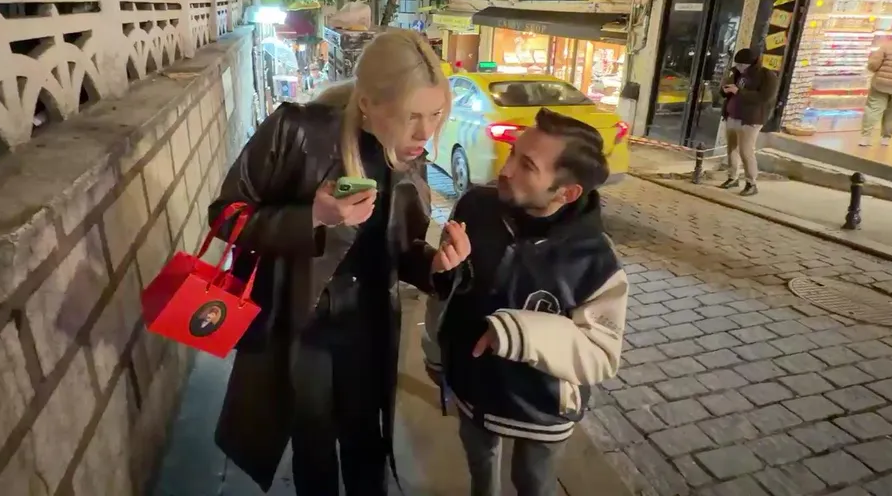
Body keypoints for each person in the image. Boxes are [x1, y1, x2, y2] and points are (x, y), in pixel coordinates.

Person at [208, 29, 472, 494]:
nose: (426, 132)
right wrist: (311, 217)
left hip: (369, 325)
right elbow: (226, 215)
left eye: (435, 114)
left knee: (367, 441)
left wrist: (438, 265)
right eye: (412, 115)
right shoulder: (297, 132)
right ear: (368, 103)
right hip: (301, 324)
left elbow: (403, 249)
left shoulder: (407, 157)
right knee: (313, 444)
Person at [423, 108, 629, 496]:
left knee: (533, 481)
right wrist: (445, 274)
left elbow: (601, 353)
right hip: (472, 385)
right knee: (480, 466)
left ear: (567, 193)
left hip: (542, 405)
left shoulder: (595, 259)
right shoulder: (474, 207)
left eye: (527, 165)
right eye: (513, 152)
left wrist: (517, 331)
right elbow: (448, 293)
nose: (506, 169)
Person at [719, 48, 780, 196]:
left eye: (743, 65)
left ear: (752, 64)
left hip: (750, 119)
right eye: (738, 64)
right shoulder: (736, 73)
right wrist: (724, 90)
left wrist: (739, 92)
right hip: (732, 115)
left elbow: (764, 97)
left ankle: (751, 183)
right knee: (731, 149)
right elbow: (726, 90)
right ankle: (732, 177)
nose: (740, 67)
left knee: (746, 151)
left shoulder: (767, 76)